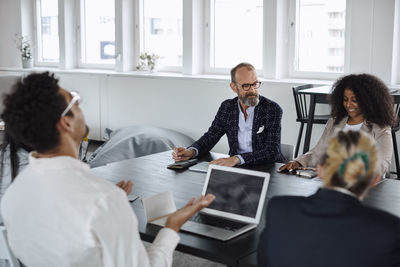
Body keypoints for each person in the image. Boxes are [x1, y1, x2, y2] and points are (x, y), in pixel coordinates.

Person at [0, 72, 215, 267]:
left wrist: (108, 207)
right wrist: (171, 227)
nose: (80, 105)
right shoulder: (104, 200)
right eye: (75, 101)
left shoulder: (14, 193)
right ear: (65, 123)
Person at [258, 131, 400, 267]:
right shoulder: (389, 230)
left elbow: (264, 260)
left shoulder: (279, 209)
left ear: (319, 170)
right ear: (374, 179)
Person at [279, 73, 395, 176]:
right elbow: (318, 151)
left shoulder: (380, 128)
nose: (348, 104)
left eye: (354, 100)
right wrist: (298, 162)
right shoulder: (335, 122)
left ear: (368, 101)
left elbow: (382, 163)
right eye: (345, 99)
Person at [173, 62, 285, 167]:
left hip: (267, 168)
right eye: (246, 85)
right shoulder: (227, 107)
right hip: (237, 168)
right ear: (234, 87)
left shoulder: (272, 109)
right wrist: (191, 151)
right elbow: (211, 136)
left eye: (255, 84)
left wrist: (237, 159)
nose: (253, 90)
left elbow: (272, 152)